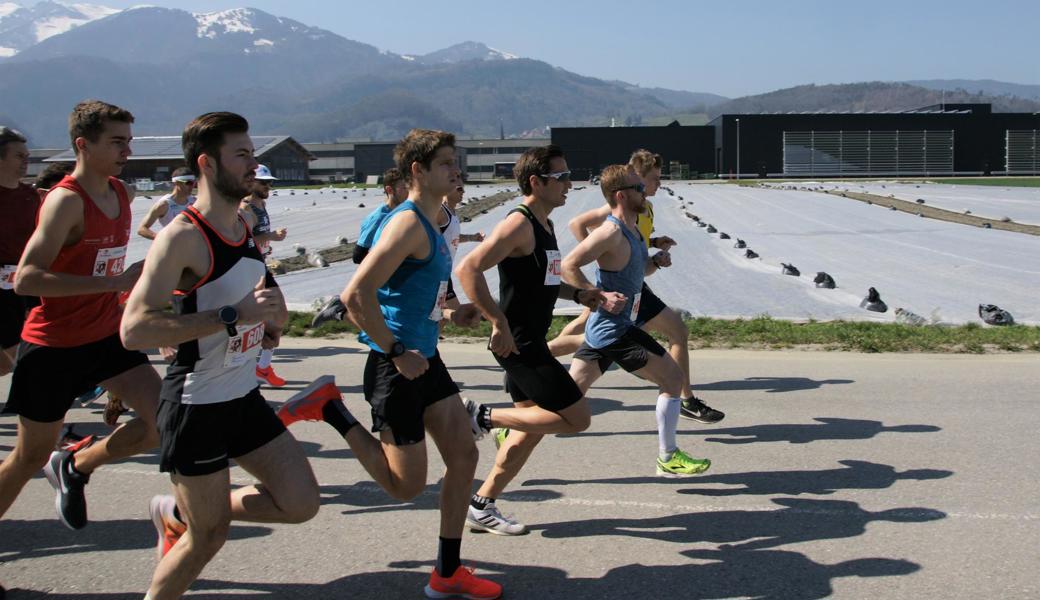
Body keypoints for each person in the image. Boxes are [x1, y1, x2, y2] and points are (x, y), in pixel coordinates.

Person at [278, 128, 502, 599]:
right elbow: (355, 294)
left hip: (426, 358)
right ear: (417, 171)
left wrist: (449, 312)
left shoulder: (437, 219)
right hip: (395, 363)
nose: (455, 170)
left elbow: (406, 293)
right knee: (405, 486)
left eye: (455, 161)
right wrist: (396, 353)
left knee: (464, 456)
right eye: (445, 163)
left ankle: (446, 570)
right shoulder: (405, 224)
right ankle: (329, 408)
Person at [120, 112, 319, 600]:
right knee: (207, 538)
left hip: (241, 397)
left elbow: (258, 308)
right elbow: (134, 329)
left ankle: (182, 511)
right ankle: (186, 522)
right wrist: (234, 316)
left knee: (301, 502)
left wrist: (270, 325)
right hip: (196, 407)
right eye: (243, 155)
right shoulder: (183, 236)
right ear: (207, 164)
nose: (255, 164)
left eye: (254, 153)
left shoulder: (245, 226)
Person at [0, 101, 160, 533]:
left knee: (165, 422)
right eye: (116, 142)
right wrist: (114, 284)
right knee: (27, 457)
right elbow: (27, 280)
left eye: (128, 141)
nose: (127, 152)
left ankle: (77, 465)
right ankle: (55, 463)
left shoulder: (122, 194)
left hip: (106, 338)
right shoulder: (65, 202)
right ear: (83, 145)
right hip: (53, 346)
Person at [456, 145, 623, 535]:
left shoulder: (543, 224)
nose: (570, 183)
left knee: (530, 431)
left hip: (529, 340)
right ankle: (480, 417)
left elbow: (543, 280)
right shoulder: (519, 223)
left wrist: (579, 295)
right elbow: (468, 269)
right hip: (520, 345)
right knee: (576, 418)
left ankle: (482, 504)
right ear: (536, 182)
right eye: (561, 177)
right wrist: (496, 320)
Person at [550, 149, 724, 424]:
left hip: (629, 294)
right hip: (619, 298)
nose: (655, 185)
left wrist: (653, 252)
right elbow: (576, 233)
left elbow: (639, 254)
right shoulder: (615, 217)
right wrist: (599, 281)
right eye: (649, 181)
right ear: (631, 185)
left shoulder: (642, 213)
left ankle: (532, 365)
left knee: (577, 374)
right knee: (671, 344)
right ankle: (685, 403)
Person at [562, 164, 711, 477]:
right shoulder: (611, 231)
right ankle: (668, 457)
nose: (644, 191)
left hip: (606, 330)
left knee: (567, 401)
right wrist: (597, 295)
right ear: (621, 195)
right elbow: (569, 265)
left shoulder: (632, 229)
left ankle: (500, 423)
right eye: (638, 188)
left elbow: (637, 271)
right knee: (672, 379)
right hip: (615, 332)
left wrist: (655, 261)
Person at [309, 167, 409, 327]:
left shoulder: (403, 214)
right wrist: (387, 261)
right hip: (379, 278)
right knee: (381, 326)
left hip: (393, 277)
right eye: (404, 188)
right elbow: (358, 255)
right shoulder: (379, 217)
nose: (408, 192)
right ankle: (339, 311)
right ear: (390, 190)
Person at [240, 165, 286, 387]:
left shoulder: (262, 205)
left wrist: (267, 245)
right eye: (263, 182)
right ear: (251, 182)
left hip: (261, 265)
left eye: (269, 182)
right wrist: (270, 237)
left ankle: (262, 366)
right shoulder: (245, 209)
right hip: (250, 270)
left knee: (275, 319)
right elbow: (243, 242)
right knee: (263, 318)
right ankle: (254, 367)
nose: (268, 186)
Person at [0, 126, 39, 378]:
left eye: (27, 156)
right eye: (18, 156)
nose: (26, 162)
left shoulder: (31, 195)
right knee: (19, 353)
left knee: (6, 364)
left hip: (23, 283)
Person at [137, 166, 196, 240]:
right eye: (188, 183)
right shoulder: (164, 205)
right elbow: (142, 229)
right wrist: (163, 240)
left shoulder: (195, 201)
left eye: (194, 183)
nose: (192, 186)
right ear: (176, 183)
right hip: (175, 248)